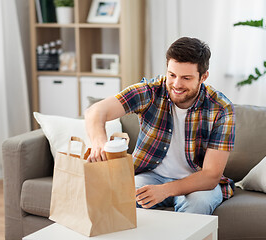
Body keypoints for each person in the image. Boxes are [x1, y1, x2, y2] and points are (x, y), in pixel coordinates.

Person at [85, 37, 235, 215]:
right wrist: (99, 143)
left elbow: (211, 176)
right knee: (119, 196)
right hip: (150, 176)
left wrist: (165, 190)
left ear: (203, 77)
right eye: (172, 75)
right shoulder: (150, 91)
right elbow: (95, 111)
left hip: (197, 183)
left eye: (186, 78)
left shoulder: (221, 109)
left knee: (197, 205)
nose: (176, 84)